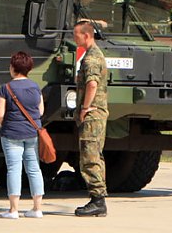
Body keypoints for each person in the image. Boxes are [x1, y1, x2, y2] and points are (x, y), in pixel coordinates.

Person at [0, 51, 45, 219]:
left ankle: (13, 210)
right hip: (32, 133)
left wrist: (5, 125)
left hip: (11, 133)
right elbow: (41, 110)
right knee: (34, 168)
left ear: (12, 68)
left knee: (14, 169)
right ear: (29, 68)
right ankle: (37, 208)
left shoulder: (6, 88)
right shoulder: (35, 87)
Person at [73, 20, 109, 217]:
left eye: (76, 34)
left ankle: (98, 200)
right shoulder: (93, 54)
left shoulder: (91, 59)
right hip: (97, 113)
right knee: (95, 154)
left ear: (86, 35)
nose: (73, 37)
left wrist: (85, 108)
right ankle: (97, 198)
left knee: (90, 155)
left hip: (92, 115)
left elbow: (92, 84)